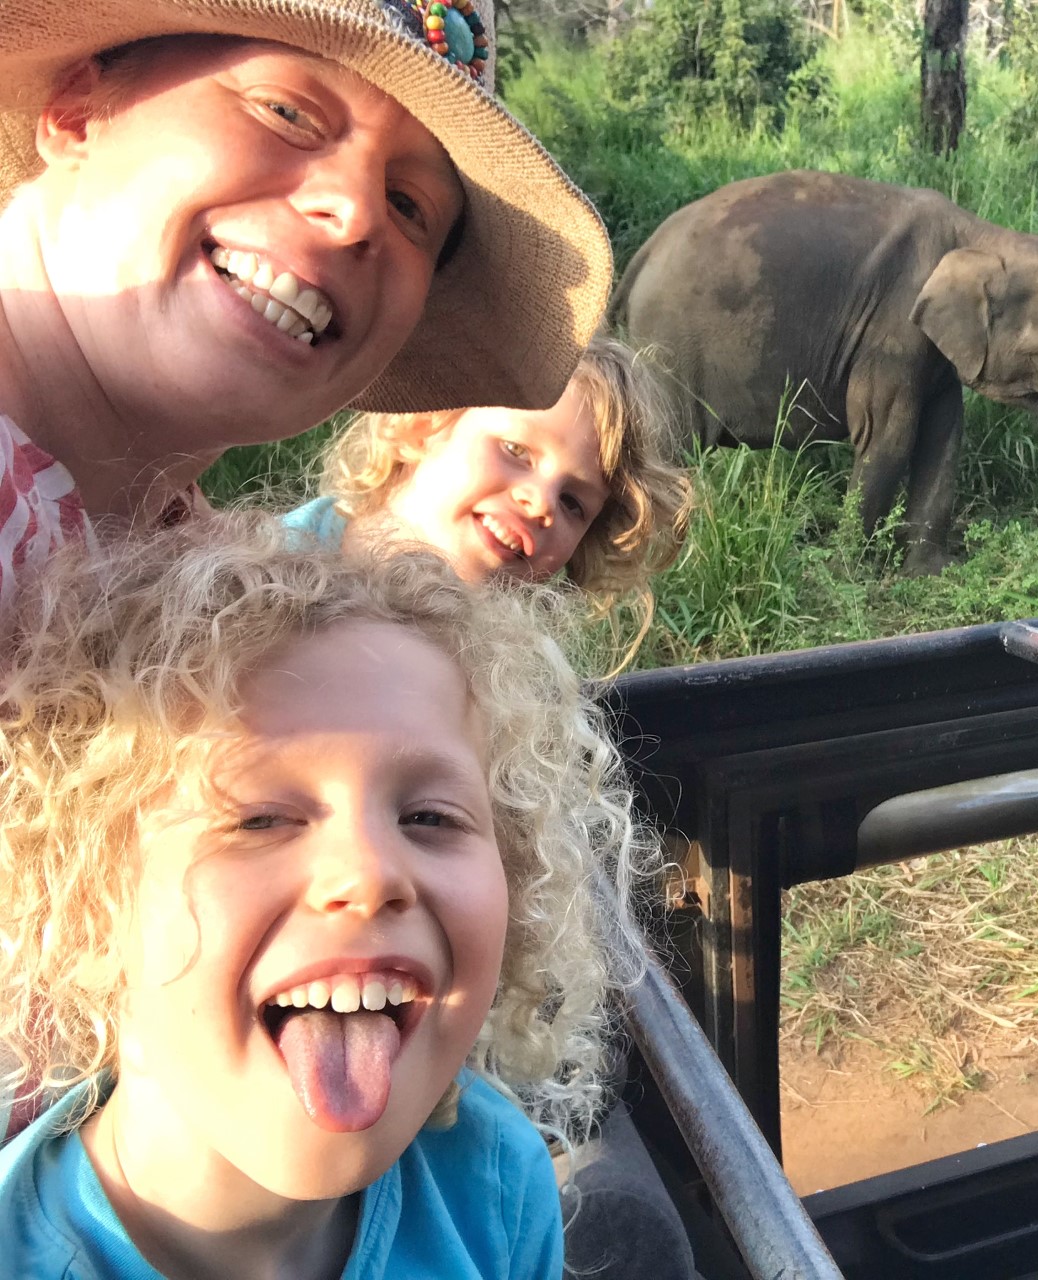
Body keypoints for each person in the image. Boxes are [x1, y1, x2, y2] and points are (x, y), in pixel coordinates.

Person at [0, 511, 652, 1278]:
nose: (371, 873)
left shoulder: (492, 1183)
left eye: (429, 818)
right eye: (260, 819)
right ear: (86, 909)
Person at [0, 0, 611, 613]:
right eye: (287, 112)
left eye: (408, 206)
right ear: (76, 112)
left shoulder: (181, 568)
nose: (357, 214)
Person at [283, 334, 693, 650]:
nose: (540, 503)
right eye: (516, 451)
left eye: (573, 503)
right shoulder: (271, 572)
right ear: (425, 423)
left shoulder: (515, 676)